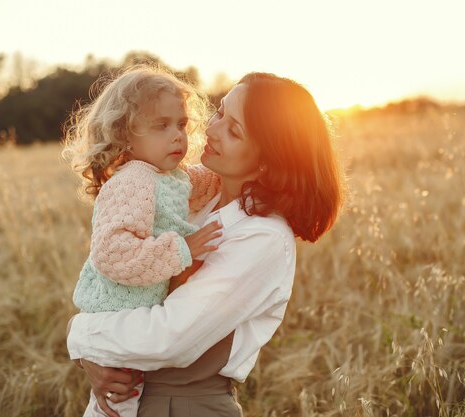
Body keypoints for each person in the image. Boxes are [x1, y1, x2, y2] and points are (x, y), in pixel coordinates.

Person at [67, 72, 344, 417]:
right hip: (124, 399)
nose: (210, 130)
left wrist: (81, 338)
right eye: (220, 113)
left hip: (183, 405)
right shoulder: (190, 195)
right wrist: (93, 360)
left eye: (233, 130)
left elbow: (168, 340)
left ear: (268, 159)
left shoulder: (264, 237)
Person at [62, 65, 223, 417]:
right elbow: (112, 253)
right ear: (125, 135)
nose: (178, 137)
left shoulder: (167, 176)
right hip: (116, 317)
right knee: (118, 403)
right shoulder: (134, 179)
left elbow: (212, 182)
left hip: (132, 318)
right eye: (161, 126)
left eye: (181, 125)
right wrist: (182, 249)